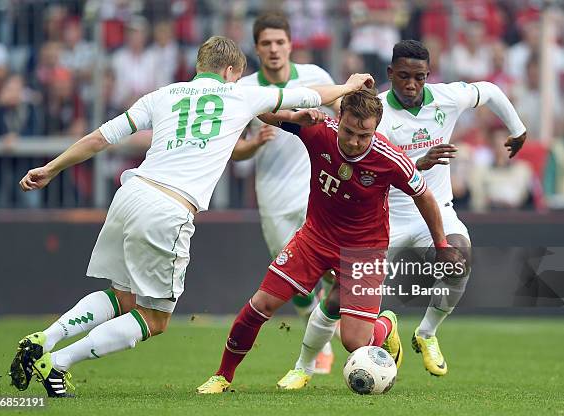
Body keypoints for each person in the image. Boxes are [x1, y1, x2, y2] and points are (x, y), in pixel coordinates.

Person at [9, 35, 373, 398]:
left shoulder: (163, 95)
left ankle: (45, 338)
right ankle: (57, 362)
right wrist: (350, 85)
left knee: (123, 296)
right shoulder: (239, 94)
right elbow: (311, 95)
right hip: (168, 208)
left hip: (130, 194)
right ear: (231, 71)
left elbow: (102, 137)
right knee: (154, 319)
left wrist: (52, 167)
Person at [282, 39, 527, 386]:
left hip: (434, 210)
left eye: (419, 77)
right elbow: (369, 173)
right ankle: (303, 366)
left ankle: (426, 333)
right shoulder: (375, 114)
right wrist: (417, 164)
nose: (411, 85)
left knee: (459, 260)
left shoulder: (446, 98)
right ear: (390, 74)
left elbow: (488, 90)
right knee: (338, 299)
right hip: (384, 220)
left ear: (428, 75)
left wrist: (518, 130)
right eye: (403, 76)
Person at [196, 89, 463, 394]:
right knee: (262, 303)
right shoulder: (318, 131)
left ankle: (385, 325)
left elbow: (425, 196)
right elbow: (261, 111)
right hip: (314, 238)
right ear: (339, 119)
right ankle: (222, 376)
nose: (353, 141)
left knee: (354, 342)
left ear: (375, 129)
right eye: (349, 131)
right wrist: (294, 117)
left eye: (364, 135)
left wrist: (441, 245)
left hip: (364, 250)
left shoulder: (390, 158)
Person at [232, 12, 337, 374]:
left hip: (318, 191)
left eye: (280, 42)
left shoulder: (315, 78)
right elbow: (231, 149)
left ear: (291, 44)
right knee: (295, 277)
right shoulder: (245, 90)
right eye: (266, 43)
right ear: (257, 48)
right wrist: (254, 145)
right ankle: (321, 337)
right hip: (273, 196)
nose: (274, 49)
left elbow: (342, 114)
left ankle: (331, 342)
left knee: (334, 271)